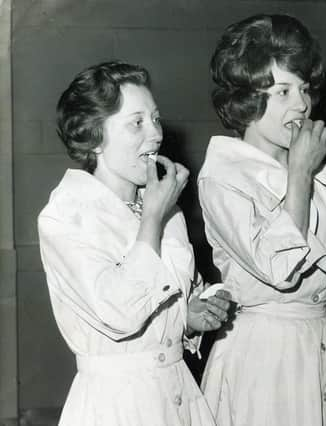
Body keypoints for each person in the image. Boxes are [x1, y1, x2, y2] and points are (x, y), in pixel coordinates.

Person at [197, 14, 326, 426]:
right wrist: (299, 173)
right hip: (265, 361)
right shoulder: (225, 175)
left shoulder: (320, 174)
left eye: (303, 89)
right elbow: (279, 267)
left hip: (324, 346)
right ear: (246, 100)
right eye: (282, 91)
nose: (301, 104)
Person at [38, 61, 232, 426]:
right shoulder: (66, 215)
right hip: (116, 405)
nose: (156, 134)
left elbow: (166, 311)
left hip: (179, 395)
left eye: (155, 119)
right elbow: (119, 313)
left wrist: (188, 317)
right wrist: (152, 221)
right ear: (94, 136)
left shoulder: (164, 206)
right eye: (137, 123)